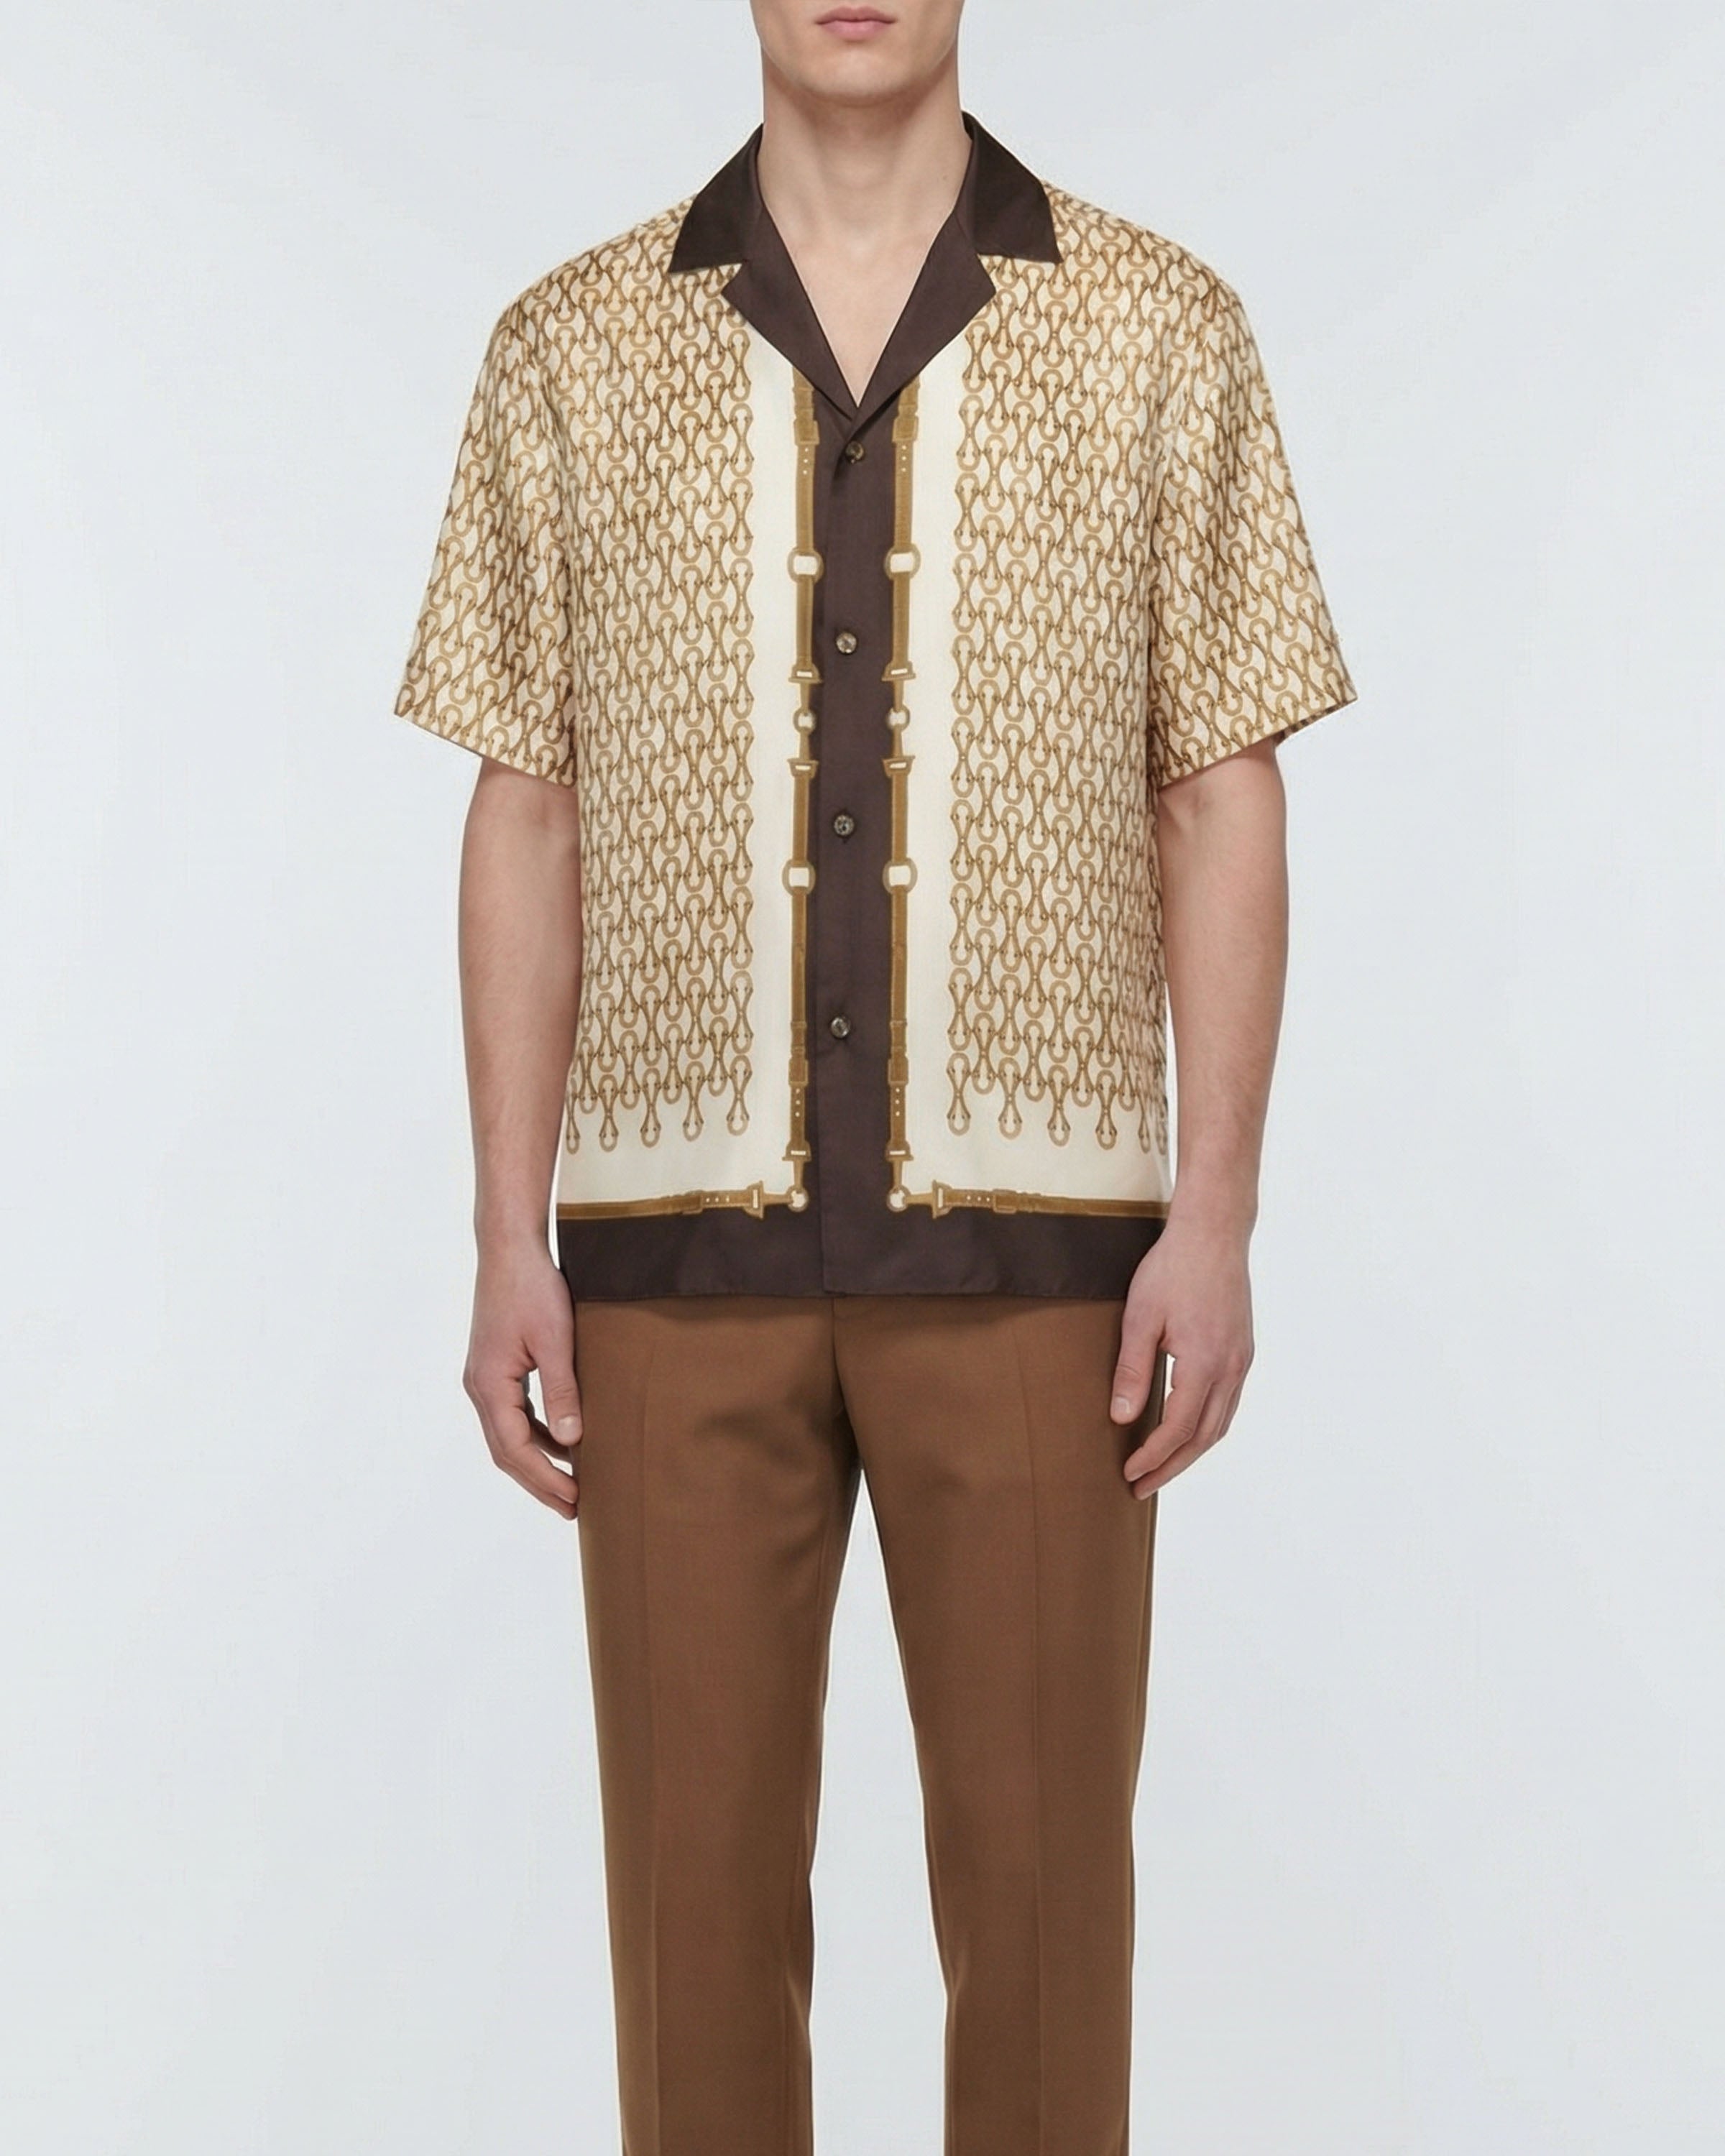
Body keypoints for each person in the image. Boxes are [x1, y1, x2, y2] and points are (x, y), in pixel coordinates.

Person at [394, 2, 1356, 2148]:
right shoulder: (567, 349)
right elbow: (525, 807)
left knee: (1045, 1939)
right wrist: (502, 1236)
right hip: (666, 1277)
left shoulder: (1162, 330)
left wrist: (1216, 1217)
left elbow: (1222, 787)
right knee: (691, 1950)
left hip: (1048, 1284)